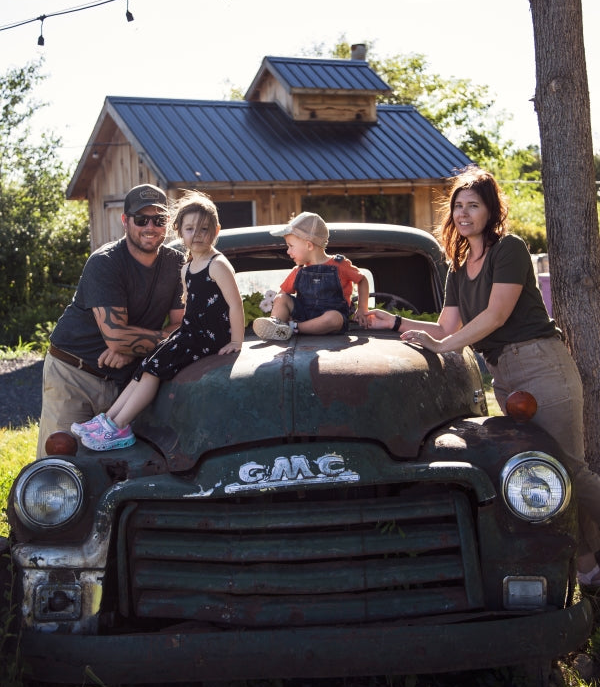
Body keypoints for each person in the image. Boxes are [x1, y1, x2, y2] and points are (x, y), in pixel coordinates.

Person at [368, 165, 600, 586]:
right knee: (540, 468)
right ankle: (588, 570)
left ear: (491, 211)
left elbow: (494, 316)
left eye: (473, 206)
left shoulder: (508, 249)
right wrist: (393, 323)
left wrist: (443, 347)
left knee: (569, 468)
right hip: (504, 375)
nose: (463, 214)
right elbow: (445, 329)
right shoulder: (458, 266)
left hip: (540, 362)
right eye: (458, 206)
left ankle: (586, 563)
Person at [72, 191, 245, 451]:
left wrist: (236, 341)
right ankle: (107, 420)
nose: (197, 234)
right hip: (190, 333)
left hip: (208, 337)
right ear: (178, 231)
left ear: (216, 230)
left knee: (154, 371)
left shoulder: (218, 264)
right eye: (189, 228)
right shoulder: (186, 267)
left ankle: (120, 426)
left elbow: (235, 304)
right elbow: (190, 308)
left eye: (204, 228)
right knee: (146, 365)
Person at [37, 184, 185, 458]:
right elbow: (116, 337)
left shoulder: (177, 263)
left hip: (126, 380)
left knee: (118, 465)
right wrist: (147, 342)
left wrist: (129, 352)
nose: (150, 226)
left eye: (159, 219)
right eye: (141, 219)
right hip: (74, 374)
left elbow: (182, 326)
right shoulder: (105, 262)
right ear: (125, 220)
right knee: (60, 463)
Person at [253, 211, 369, 342]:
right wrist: (282, 311)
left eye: (291, 246)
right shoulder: (299, 271)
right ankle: (276, 325)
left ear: (309, 245)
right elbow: (282, 295)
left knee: (334, 318)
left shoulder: (340, 265)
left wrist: (362, 309)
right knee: (281, 298)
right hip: (303, 314)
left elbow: (362, 279)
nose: (288, 251)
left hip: (330, 320)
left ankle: (293, 328)